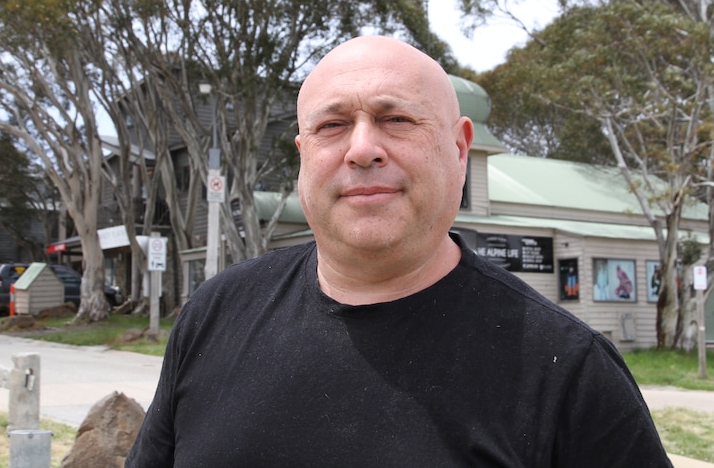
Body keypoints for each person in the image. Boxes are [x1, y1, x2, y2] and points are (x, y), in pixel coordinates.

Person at [126, 35, 671, 467]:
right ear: (302, 154)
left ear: (460, 149)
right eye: (333, 125)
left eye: (396, 119)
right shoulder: (214, 314)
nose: (362, 148)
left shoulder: (569, 370)